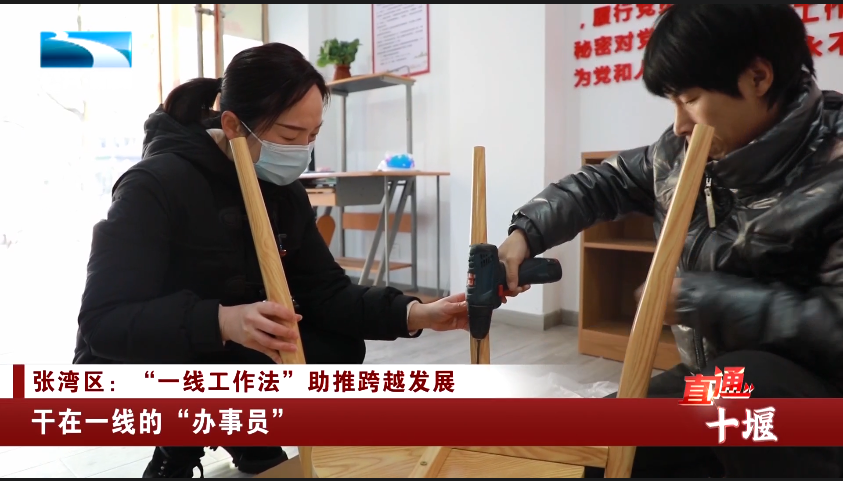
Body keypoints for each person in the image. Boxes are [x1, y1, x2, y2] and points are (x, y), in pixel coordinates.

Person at [74, 42, 468, 479]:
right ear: (232, 124)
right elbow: (102, 322)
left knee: (335, 348)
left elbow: (326, 292)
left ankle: (249, 435)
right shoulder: (154, 185)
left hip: (231, 344)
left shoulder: (283, 190)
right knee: (238, 359)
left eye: (312, 136)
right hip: (142, 353)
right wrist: (223, 320)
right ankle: (176, 449)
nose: (302, 151)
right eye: (289, 136)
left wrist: (416, 313)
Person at [499, 4, 843, 478]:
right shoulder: (681, 152)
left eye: (691, 99)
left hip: (807, 402)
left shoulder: (833, 162)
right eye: (673, 102)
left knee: (741, 392)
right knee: (592, 449)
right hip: (714, 383)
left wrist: (705, 300)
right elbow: (604, 182)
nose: (680, 124)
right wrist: (526, 232)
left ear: (758, 77)